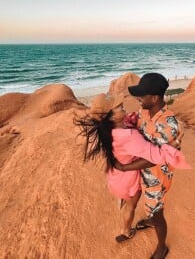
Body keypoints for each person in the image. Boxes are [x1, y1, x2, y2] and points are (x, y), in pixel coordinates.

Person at [74, 93, 189, 247]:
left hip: (117, 177)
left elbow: (129, 121)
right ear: (111, 118)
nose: (124, 107)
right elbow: (154, 156)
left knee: (128, 203)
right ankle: (126, 231)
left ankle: (126, 228)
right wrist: (173, 145)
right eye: (119, 107)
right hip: (128, 178)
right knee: (131, 205)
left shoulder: (110, 130)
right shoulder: (128, 136)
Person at [123, 72, 182, 259]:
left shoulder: (169, 125)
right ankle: (150, 219)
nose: (138, 98)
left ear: (155, 97)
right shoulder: (144, 112)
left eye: (142, 95)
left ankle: (161, 247)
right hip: (141, 172)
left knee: (157, 212)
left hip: (156, 178)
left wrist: (123, 167)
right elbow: (138, 134)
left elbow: (154, 158)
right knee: (148, 207)